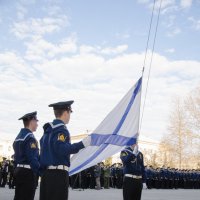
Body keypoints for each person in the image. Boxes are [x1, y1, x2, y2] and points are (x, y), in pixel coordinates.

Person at [39, 101, 91, 200]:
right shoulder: (61, 129)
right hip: (58, 175)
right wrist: (82, 144)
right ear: (66, 112)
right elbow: (62, 149)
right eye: (70, 112)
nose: (70, 116)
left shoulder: (48, 131)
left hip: (47, 174)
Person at [13, 111, 40, 200]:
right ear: (31, 121)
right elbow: (33, 159)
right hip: (28, 173)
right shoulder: (30, 138)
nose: (37, 124)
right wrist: (42, 173)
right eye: (36, 121)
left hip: (19, 171)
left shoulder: (19, 137)